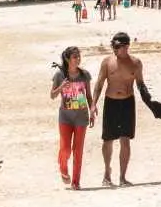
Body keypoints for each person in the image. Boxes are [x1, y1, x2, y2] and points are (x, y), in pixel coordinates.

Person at [92, 31, 147, 186]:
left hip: (128, 103)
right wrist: (93, 104)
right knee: (107, 139)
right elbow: (99, 83)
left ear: (127, 46)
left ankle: (122, 177)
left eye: (118, 47)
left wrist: (150, 101)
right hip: (111, 103)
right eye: (114, 47)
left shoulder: (136, 63)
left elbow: (141, 84)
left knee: (125, 140)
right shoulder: (107, 62)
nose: (115, 50)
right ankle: (106, 174)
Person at [51, 46, 94, 189]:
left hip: (81, 117)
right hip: (65, 117)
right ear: (68, 59)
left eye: (79, 56)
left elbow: (88, 96)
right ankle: (63, 167)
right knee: (65, 149)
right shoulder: (59, 75)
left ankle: (76, 182)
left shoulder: (85, 75)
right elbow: (52, 95)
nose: (78, 59)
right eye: (75, 57)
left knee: (78, 150)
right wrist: (61, 87)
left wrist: (92, 109)